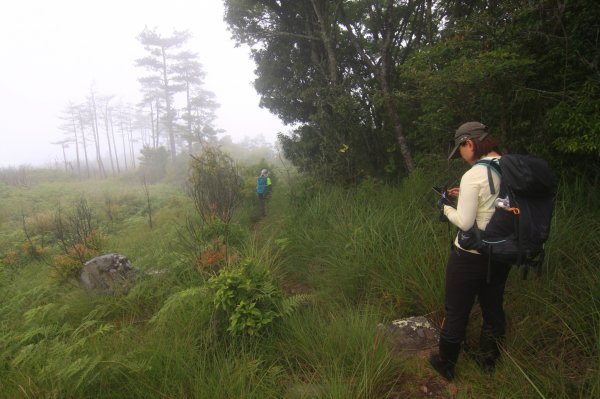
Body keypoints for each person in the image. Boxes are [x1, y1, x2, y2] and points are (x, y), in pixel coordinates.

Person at [430, 121, 512, 381]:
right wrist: (463, 195)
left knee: (456, 310)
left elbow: (465, 222)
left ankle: (446, 364)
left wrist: (444, 206)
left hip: (469, 257)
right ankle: (489, 360)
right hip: (501, 253)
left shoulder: (474, 174)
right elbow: (493, 202)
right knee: (493, 307)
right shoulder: (508, 165)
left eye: (461, 149)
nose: (462, 156)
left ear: (470, 143)